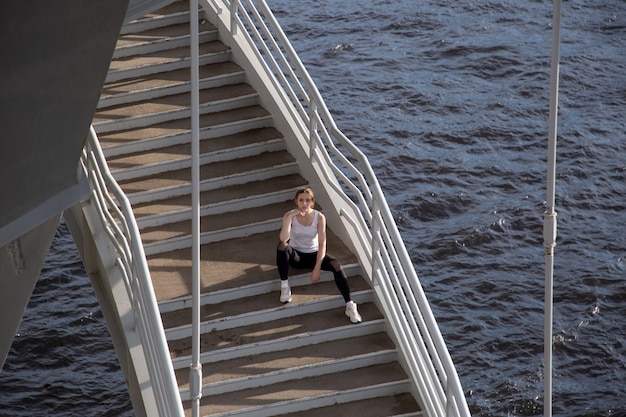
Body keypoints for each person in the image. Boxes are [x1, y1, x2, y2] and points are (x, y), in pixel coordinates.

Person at [276, 187, 362, 324]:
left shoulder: (319, 217)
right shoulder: (289, 215)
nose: (304, 203)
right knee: (282, 247)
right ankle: (285, 287)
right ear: (296, 202)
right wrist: (290, 218)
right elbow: (283, 239)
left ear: (312, 202)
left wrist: (317, 267)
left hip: (314, 255)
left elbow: (322, 244)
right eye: (301, 200)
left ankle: (350, 305)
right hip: (296, 256)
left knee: (336, 264)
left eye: (307, 200)